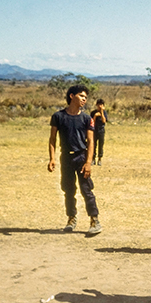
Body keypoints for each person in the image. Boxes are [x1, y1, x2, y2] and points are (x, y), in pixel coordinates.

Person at [48, 85, 102, 235]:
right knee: (68, 189)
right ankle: (71, 218)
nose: (84, 99)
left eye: (86, 97)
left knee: (86, 189)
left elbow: (91, 141)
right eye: (81, 96)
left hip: (81, 157)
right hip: (66, 157)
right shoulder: (58, 117)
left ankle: (94, 220)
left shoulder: (86, 119)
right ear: (72, 96)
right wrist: (52, 158)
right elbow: (52, 139)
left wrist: (88, 162)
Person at [90, 98, 108, 166]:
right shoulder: (93, 112)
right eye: (99, 104)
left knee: (101, 145)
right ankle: (93, 159)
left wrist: (102, 112)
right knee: (93, 145)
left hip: (101, 131)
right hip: (94, 131)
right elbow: (92, 122)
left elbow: (104, 121)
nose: (100, 106)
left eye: (101, 104)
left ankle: (100, 159)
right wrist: (95, 116)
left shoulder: (104, 112)